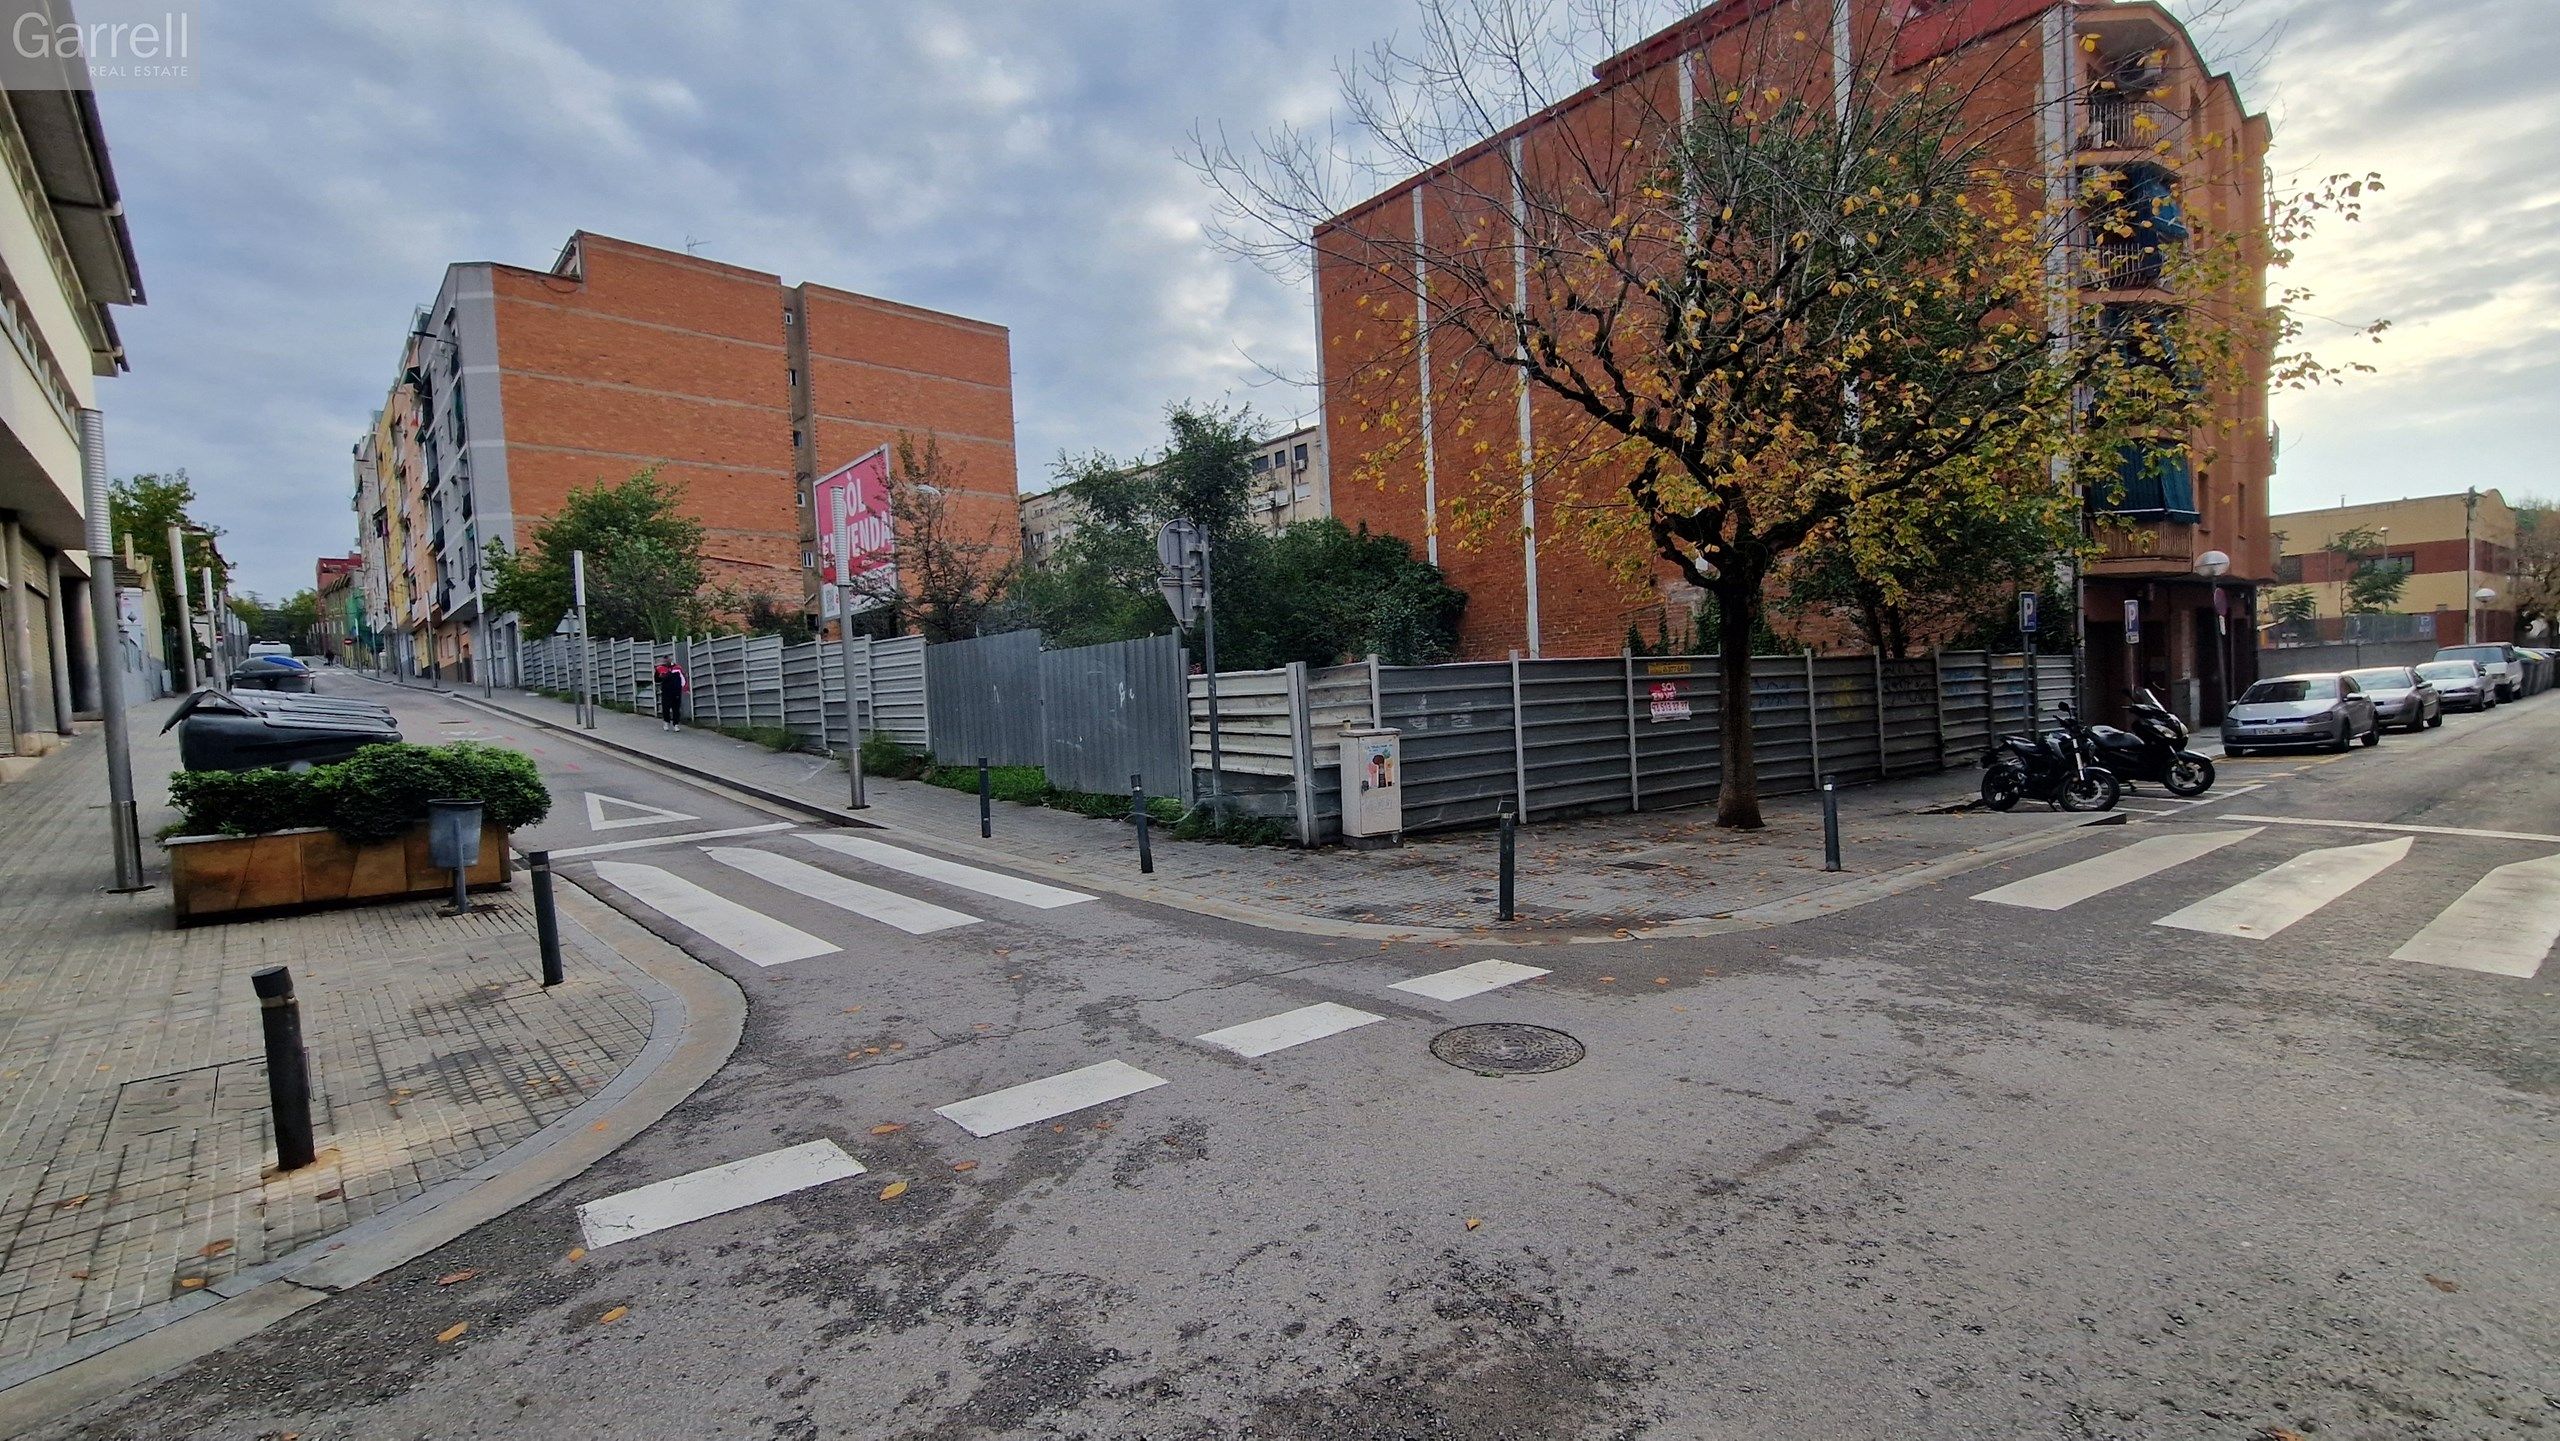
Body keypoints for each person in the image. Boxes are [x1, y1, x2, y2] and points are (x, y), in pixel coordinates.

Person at [656, 658, 688, 731]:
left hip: (676, 691)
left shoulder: (677, 668)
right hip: (666, 691)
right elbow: (656, 680)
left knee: (676, 708)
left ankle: (675, 724)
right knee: (666, 708)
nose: (666, 662)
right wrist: (660, 677)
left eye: (668, 660)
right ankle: (666, 722)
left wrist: (684, 687)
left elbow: (683, 678)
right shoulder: (660, 668)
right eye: (665, 661)